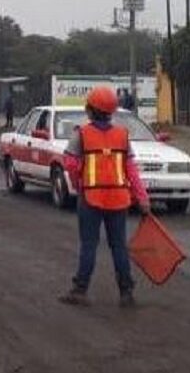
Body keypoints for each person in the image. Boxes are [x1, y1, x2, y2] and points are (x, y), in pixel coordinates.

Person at [59, 86, 150, 308]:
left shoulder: (81, 134)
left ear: (90, 109)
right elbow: (132, 170)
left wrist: (78, 183)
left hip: (91, 198)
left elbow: (70, 164)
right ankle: (126, 292)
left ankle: (80, 290)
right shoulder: (122, 135)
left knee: (89, 244)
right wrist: (143, 198)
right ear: (110, 112)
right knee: (118, 246)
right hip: (119, 199)